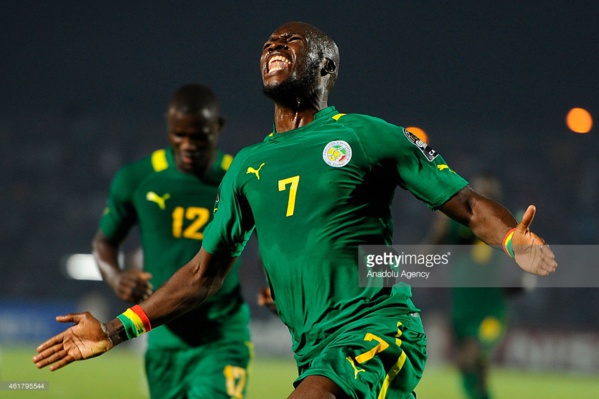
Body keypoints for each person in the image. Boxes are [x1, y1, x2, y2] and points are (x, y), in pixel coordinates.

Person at [34, 22, 557, 399]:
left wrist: (513, 240)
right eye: (267, 43)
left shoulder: (366, 135)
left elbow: (464, 203)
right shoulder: (248, 166)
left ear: (325, 65)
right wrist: (114, 329)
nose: (273, 46)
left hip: (374, 328)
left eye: (290, 41)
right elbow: (202, 273)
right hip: (314, 346)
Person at [90, 84, 252, 399]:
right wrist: (116, 276)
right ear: (169, 128)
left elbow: (271, 235)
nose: (188, 145)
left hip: (221, 336)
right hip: (162, 334)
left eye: (199, 135)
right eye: (180, 135)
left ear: (218, 127)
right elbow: (104, 244)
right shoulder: (137, 178)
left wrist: (275, 281)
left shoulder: (241, 175)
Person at [424, 172, 525, 399]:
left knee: (468, 359)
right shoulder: (455, 224)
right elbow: (430, 252)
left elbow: (520, 279)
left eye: (488, 195)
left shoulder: (507, 229)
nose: (481, 199)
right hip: (461, 312)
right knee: (474, 372)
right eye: (478, 193)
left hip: (491, 314)